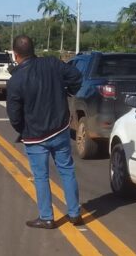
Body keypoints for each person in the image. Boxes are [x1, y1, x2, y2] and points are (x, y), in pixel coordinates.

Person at [6, 35, 83, 229]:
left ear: (16, 55)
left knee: (41, 176)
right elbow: (76, 77)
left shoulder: (16, 79)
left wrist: (22, 129)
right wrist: (68, 92)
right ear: (34, 50)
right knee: (67, 170)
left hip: (35, 136)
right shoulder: (52, 63)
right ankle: (74, 214)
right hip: (60, 128)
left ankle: (47, 217)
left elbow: (14, 114)